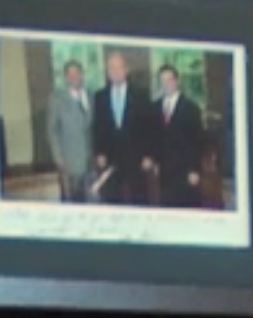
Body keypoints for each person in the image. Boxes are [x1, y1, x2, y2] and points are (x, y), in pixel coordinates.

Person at [92, 50, 153, 206]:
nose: (115, 72)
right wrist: (100, 152)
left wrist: (148, 155)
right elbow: (98, 127)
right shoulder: (100, 97)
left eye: (119, 68)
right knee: (112, 200)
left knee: (139, 199)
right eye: (111, 68)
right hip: (111, 159)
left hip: (136, 158)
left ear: (126, 70)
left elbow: (149, 127)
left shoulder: (140, 95)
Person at [152, 64, 208, 208]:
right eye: (162, 81)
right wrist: (156, 161)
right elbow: (155, 139)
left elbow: (198, 142)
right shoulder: (155, 107)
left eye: (169, 80)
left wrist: (195, 170)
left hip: (186, 172)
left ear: (177, 81)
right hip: (165, 172)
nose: (166, 84)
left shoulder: (191, 108)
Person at [49, 60, 95, 203]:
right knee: (73, 203)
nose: (74, 77)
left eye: (77, 73)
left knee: (92, 202)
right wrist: (59, 159)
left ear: (82, 75)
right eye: (70, 74)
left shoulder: (92, 95)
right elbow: (52, 131)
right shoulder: (56, 99)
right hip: (69, 164)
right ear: (66, 77)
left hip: (91, 163)